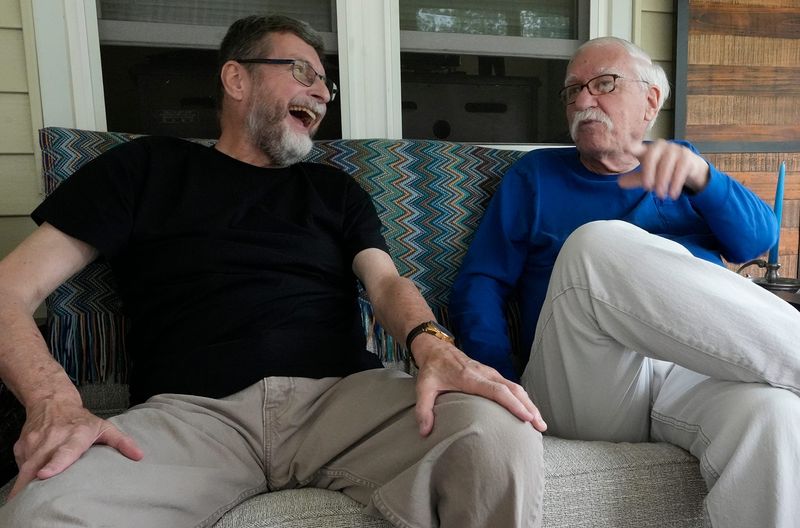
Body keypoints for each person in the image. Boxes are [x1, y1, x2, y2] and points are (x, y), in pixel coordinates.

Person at [0, 15, 547, 527]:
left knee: (497, 437)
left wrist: (434, 346)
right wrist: (55, 403)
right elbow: (9, 289)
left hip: (343, 402)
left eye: (326, 85)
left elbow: (385, 283)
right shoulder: (143, 168)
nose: (320, 92)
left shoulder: (334, 190)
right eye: (303, 72)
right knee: (44, 506)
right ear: (236, 78)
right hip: (193, 415)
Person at [450, 36, 800, 528]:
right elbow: (481, 283)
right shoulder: (536, 176)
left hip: (686, 375)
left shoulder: (680, 166)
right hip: (588, 381)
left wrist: (704, 177)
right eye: (573, 90)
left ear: (651, 100)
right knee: (597, 245)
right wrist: (499, 380)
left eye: (604, 84)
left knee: (775, 417)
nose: (583, 100)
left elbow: (756, 242)